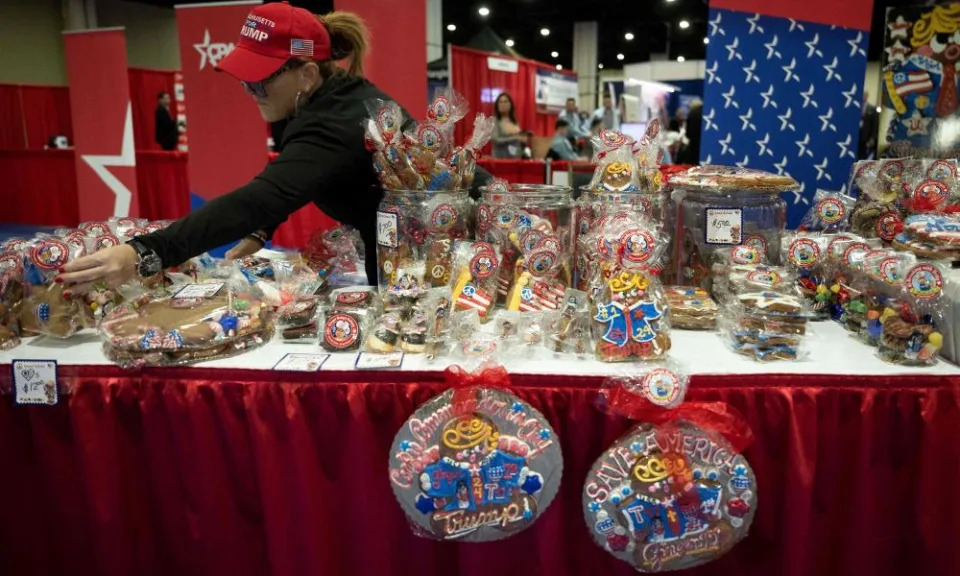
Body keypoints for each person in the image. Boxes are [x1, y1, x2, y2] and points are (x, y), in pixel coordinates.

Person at [61, 2, 487, 293]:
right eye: (245, 78)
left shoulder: (337, 120)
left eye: (260, 79)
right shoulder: (319, 98)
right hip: (412, 250)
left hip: (450, 254)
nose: (250, 90)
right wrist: (262, 228)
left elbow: (263, 195)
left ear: (305, 73)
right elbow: (298, 174)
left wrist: (144, 253)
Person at [491, 92, 528, 158]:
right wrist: (515, 138)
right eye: (500, 102)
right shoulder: (495, 121)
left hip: (516, 160)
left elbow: (516, 145)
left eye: (505, 101)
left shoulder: (514, 122)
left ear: (510, 104)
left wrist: (523, 139)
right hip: (501, 160)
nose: (503, 104)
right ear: (497, 105)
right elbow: (496, 140)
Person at [677, 99, 702, 165]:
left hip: (693, 145)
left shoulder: (692, 113)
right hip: (702, 146)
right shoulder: (704, 113)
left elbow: (688, 133)